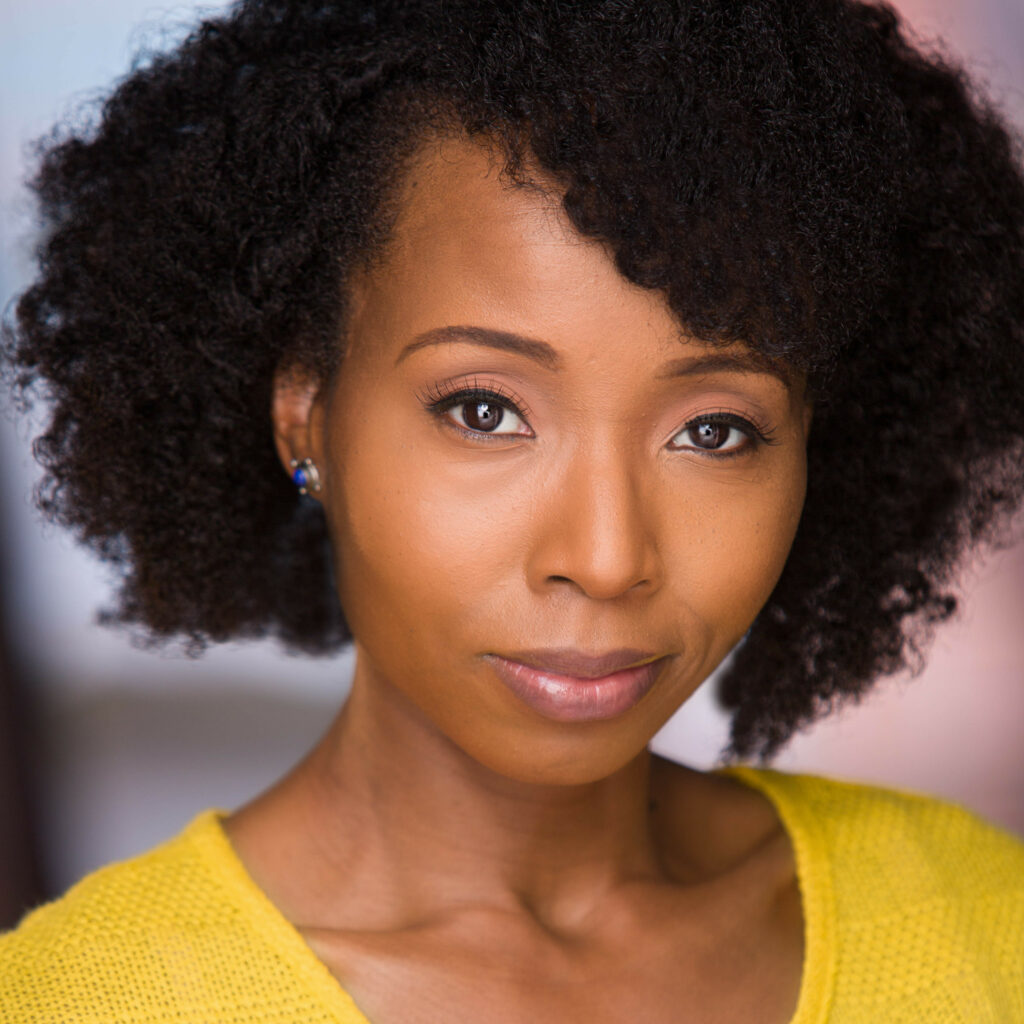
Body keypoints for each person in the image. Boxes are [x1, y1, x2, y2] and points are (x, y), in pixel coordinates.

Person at [2, 0, 1023, 1020]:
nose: (607, 554)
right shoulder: (83, 999)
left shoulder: (979, 920)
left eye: (714, 430)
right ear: (305, 415)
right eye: (484, 410)